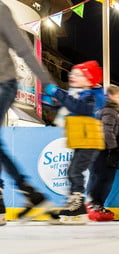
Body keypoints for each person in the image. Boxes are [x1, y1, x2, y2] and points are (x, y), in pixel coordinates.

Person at [0, 0, 54, 225]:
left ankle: (27, 193)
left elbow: (22, 48)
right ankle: (31, 194)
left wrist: (46, 82)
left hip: (3, 83)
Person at [45, 60, 106, 224]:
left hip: (90, 140)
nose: (72, 76)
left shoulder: (92, 96)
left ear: (89, 79)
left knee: (74, 171)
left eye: (78, 74)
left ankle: (78, 205)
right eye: (72, 73)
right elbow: (66, 107)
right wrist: (49, 101)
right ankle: (74, 202)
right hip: (81, 140)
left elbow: (80, 108)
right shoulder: (78, 93)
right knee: (72, 171)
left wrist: (58, 93)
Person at [86, 84, 119, 221]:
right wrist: (113, 149)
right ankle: (95, 205)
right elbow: (106, 132)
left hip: (96, 150)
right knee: (105, 179)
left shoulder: (103, 110)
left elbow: (108, 126)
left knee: (98, 177)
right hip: (104, 151)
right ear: (111, 96)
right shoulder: (109, 111)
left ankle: (95, 204)